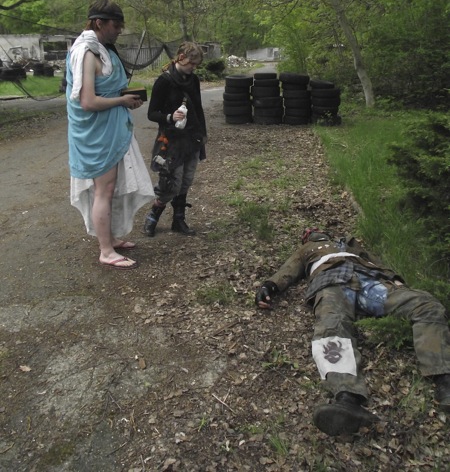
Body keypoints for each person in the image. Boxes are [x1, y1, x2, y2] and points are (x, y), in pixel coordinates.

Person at [255, 228, 450, 436]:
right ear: (306, 239)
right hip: (331, 281)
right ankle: (347, 398)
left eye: (315, 231)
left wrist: (395, 279)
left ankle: (444, 379)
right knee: (331, 326)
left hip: (371, 280)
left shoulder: (351, 243)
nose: (313, 233)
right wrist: (270, 286)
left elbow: (377, 262)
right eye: (308, 233)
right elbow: (289, 269)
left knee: (424, 304)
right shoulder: (307, 250)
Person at [66, 0, 154, 270]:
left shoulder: (102, 49)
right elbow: (88, 102)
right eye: (116, 25)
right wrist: (122, 101)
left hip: (108, 130)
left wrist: (125, 98)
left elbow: (106, 89)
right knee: (103, 190)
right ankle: (106, 250)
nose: (119, 30)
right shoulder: (87, 53)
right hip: (95, 135)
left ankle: (111, 238)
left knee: (110, 188)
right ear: (99, 22)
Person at [143, 42, 207, 238]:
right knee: (171, 182)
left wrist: (203, 134)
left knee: (186, 180)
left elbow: (198, 107)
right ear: (181, 58)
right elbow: (152, 113)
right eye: (191, 64)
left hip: (192, 138)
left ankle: (178, 220)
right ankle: (154, 214)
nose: (193, 68)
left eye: (196, 65)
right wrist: (170, 117)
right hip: (171, 140)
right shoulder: (164, 81)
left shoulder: (193, 80)